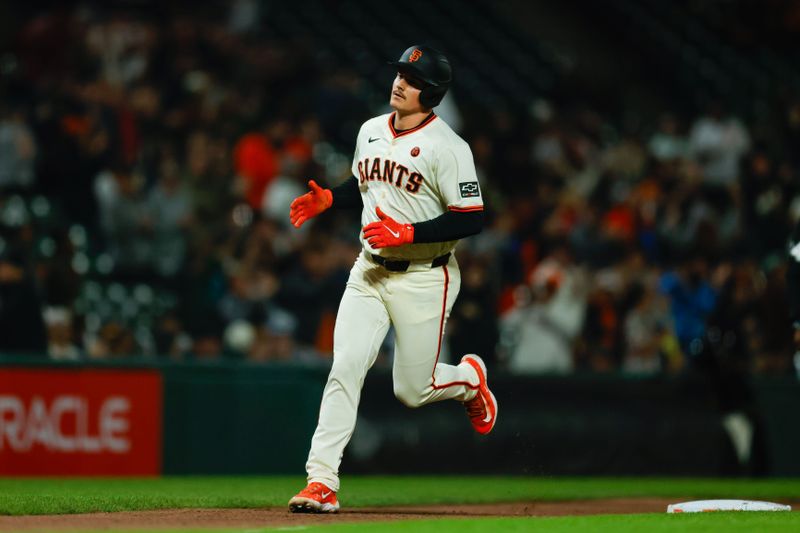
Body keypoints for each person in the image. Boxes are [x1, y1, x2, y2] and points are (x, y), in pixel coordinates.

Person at [287, 45, 497, 513]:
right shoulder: (370, 130)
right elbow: (366, 185)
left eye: (413, 77)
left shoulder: (449, 147)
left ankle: (468, 379)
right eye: (401, 72)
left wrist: (410, 232)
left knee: (411, 390)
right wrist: (332, 201)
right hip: (369, 272)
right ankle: (321, 480)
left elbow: (472, 218)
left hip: (426, 276)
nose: (400, 82)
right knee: (345, 367)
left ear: (433, 93)